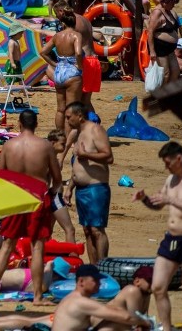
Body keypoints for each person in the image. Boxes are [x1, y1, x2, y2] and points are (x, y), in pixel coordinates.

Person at [0, 110, 62, 305]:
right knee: (37, 247)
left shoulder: (9, 145)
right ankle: (38, 296)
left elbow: (1, 176)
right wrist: (52, 193)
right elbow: (57, 178)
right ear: (36, 124)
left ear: (19, 124)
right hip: (37, 196)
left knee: (7, 245)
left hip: (15, 196)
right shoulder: (45, 146)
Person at [134, 141, 182, 331]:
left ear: (179, 159)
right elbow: (158, 204)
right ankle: (167, 328)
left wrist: (171, 199)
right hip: (171, 239)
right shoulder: (170, 180)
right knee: (158, 287)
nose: (166, 167)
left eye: (168, 163)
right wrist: (145, 199)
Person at [64, 102, 113, 264]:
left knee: (96, 230)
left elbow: (108, 156)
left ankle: (103, 267)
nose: (67, 120)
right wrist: (70, 186)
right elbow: (78, 164)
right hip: (81, 189)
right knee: (86, 230)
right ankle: (94, 268)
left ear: (79, 116)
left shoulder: (95, 130)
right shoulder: (77, 133)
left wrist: (86, 154)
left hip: (96, 187)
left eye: (69, 117)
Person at [50, 264, 148, 331]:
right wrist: (147, 323)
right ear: (81, 281)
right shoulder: (80, 301)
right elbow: (127, 317)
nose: (99, 283)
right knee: (118, 325)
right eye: (95, 280)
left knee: (114, 324)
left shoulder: (72, 298)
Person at [41, 5, 83, 133]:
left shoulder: (57, 36)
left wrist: (54, 64)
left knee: (60, 109)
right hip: (71, 71)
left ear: (63, 22)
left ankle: (60, 136)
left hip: (59, 71)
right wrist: (79, 66)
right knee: (71, 109)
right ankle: (70, 137)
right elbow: (78, 53)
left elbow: (43, 52)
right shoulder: (76, 35)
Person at [147, 0, 182, 85]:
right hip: (160, 47)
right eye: (172, 3)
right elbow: (150, 32)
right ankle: (159, 96)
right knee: (165, 73)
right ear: (165, 2)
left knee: (175, 71)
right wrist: (152, 51)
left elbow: (177, 27)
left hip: (170, 49)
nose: (174, 5)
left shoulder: (170, 12)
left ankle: (168, 94)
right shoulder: (157, 13)